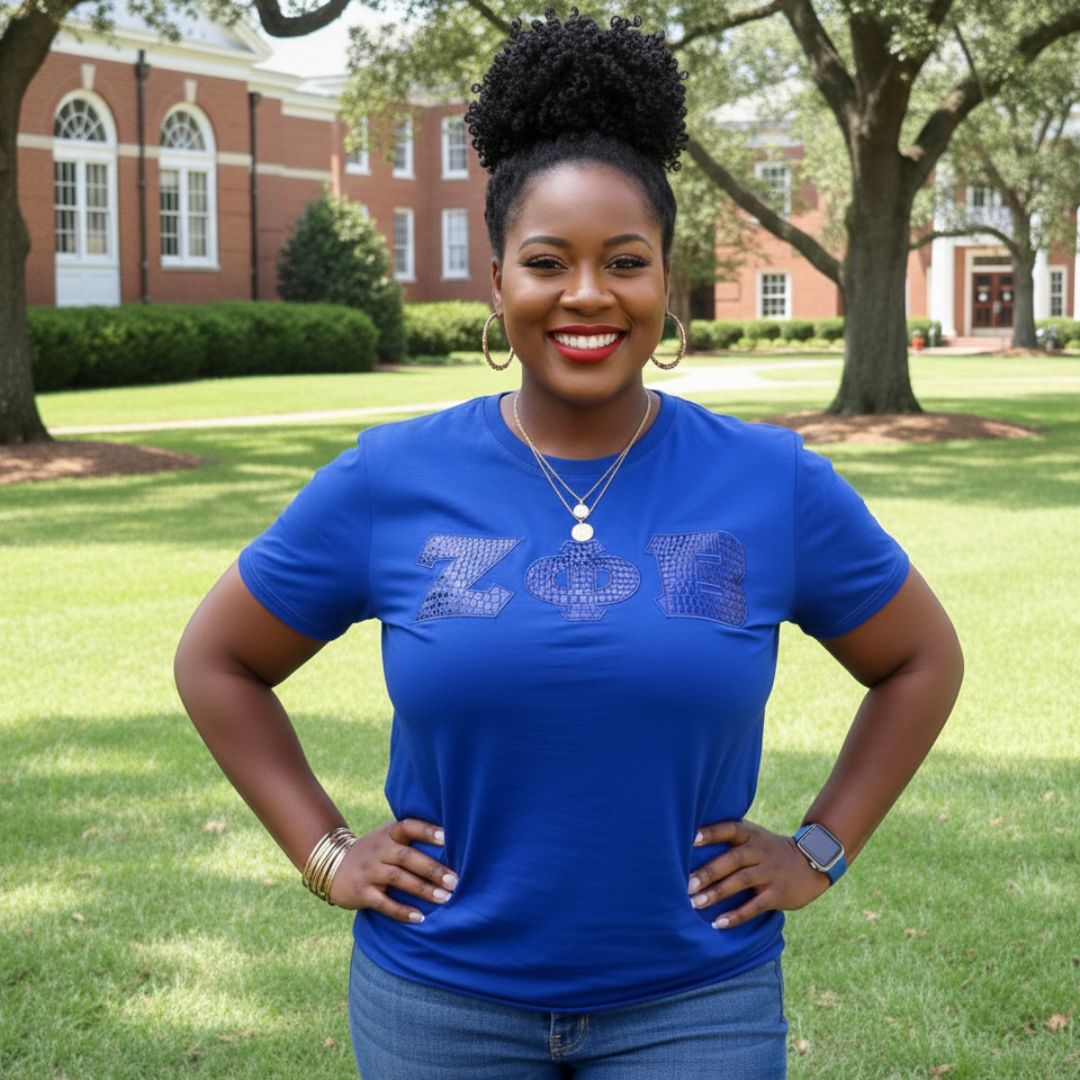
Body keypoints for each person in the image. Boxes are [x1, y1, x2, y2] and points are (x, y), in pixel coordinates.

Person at [174, 10, 964, 1078]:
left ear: (667, 283)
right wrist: (324, 852)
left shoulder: (769, 483)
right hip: (437, 1002)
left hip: (699, 1003)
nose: (587, 294)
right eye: (547, 261)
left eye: (624, 261)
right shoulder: (390, 479)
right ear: (497, 285)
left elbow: (920, 659)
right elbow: (217, 660)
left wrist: (821, 848)